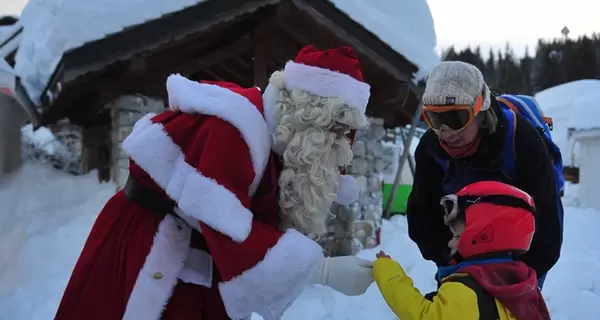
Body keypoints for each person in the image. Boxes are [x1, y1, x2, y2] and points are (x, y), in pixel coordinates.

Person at [54, 45, 374, 320]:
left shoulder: (280, 144)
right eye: (338, 131)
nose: (342, 144)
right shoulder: (234, 130)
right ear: (311, 116)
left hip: (193, 263)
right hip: (149, 252)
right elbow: (229, 231)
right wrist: (323, 271)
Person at [406, 61, 562, 288]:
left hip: (519, 264)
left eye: (455, 118)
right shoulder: (431, 148)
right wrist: (450, 261)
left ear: (480, 110)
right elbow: (423, 218)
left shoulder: (522, 141)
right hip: (458, 262)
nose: (445, 132)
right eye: (434, 119)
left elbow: (548, 228)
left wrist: (517, 280)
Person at [374, 181, 551, 320]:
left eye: (457, 237)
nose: (450, 243)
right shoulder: (520, 285)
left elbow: (424, 315)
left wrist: (388, 273)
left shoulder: (468, 290)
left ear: (485, 236)